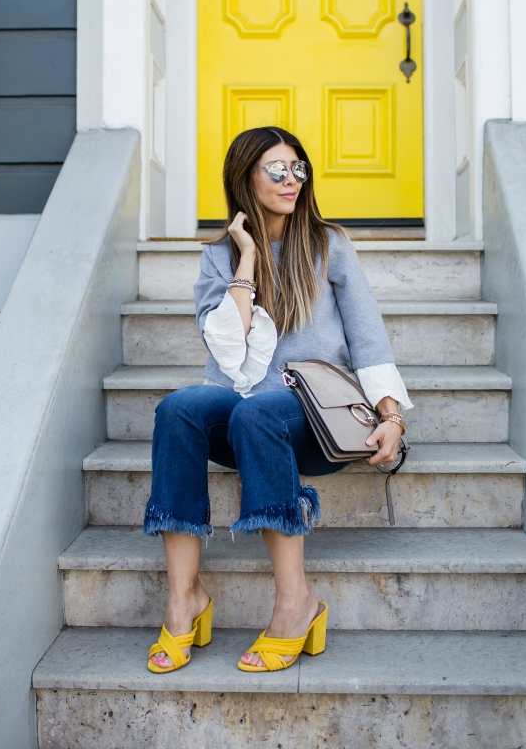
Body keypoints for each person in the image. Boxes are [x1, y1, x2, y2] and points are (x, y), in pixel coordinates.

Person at [144, 126, 412, 674]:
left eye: (299, 168)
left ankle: (297, 604)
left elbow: (367, 333)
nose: (292, 180)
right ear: (245, 177)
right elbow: (225, 343)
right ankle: (184, 600)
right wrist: (246, 257)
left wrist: (392, 416)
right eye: (276, 169)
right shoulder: (220, 257)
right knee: (178, 409)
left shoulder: (328, 243)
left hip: (314, 419)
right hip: (245, 412)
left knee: (260, 410)